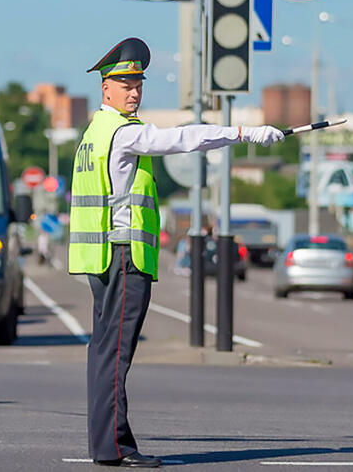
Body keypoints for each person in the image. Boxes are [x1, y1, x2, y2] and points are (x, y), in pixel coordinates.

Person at [68, 38, 284, 468]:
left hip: (101, 260)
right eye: (124, 83)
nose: (134, 91)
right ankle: (113, 448)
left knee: (105, 351)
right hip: (123, 256)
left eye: (138, 84)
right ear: (105, 88)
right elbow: (184, 138)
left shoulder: (93, 134)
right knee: (115, 354)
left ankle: (109, 444)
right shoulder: (124, 133)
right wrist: (244, 133)